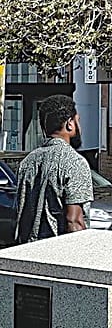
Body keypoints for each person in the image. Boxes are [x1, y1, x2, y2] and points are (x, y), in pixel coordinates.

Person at [15, 94, 94, 243]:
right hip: (58, 254)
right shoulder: (75, 162)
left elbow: (20, 213)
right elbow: (74, 222)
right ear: (70, 124)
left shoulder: (27, 162)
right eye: (78, 121)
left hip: (28, 252)